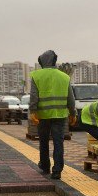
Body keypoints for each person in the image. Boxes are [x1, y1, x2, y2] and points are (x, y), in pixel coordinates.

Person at [29, 50, 76, 180]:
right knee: (58, 142)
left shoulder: (36, 75)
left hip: (42, 116)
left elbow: (34, 96)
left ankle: (45, 166)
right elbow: (71, 99)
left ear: (43, 61)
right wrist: (73, 113)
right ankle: (57, 171)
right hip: (60, 116)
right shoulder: (64, 77)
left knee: (43, 141)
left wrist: (33, 111)